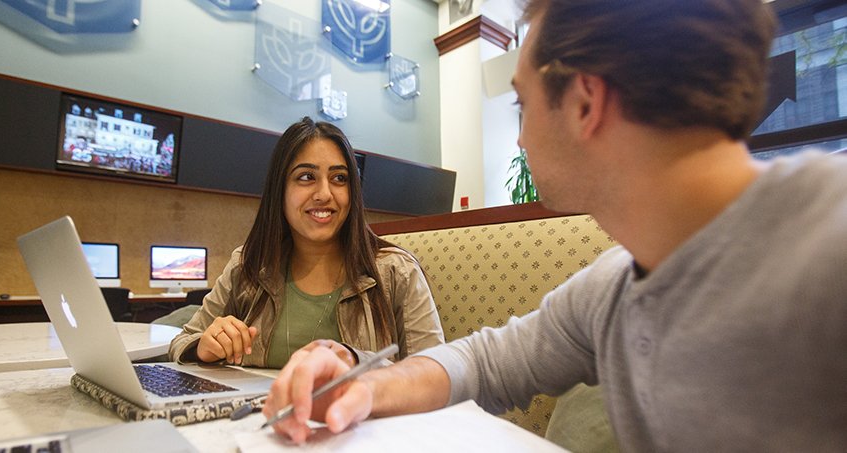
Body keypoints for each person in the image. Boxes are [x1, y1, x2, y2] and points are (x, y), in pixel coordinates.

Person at [262, 0, 847, 450]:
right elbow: (484, 361)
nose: (518, 136)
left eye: (521, 104)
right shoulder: (615, 285)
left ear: (586, 103)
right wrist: (362, 384)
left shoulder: (827, 249)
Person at [168, 117, 444, 369]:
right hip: (257, 420)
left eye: (339, 178)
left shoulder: (397, 272)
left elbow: (435, 373)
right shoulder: (248, 265)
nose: (324, 194)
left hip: (361, 421)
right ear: (281, 190)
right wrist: (202, 346)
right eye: (306, 177)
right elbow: (183, 341)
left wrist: (359, 363)